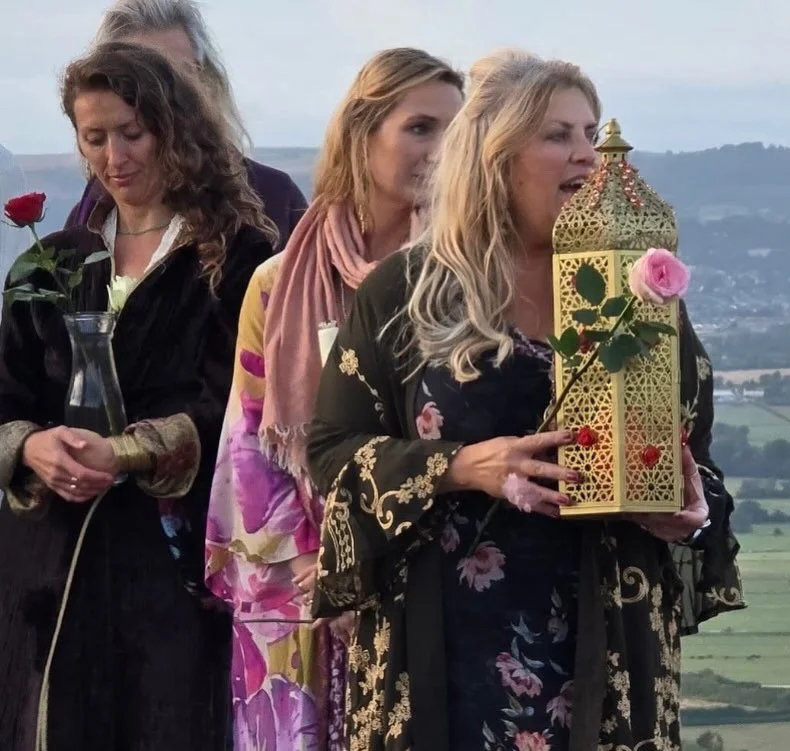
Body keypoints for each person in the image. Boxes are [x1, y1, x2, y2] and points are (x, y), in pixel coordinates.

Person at [303, 50, 744, 750]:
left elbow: (701, 469)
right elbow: (329, 450)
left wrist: (688, 512)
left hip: (608, 652)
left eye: (591, 135)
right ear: (495, 154)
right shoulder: (408, 293)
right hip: (444, 658)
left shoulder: (637, 296)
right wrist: (460, 465)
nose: (587, 156)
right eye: (558, 135)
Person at [0, 42, 276, 750]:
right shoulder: (51, 261)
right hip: (48, 570)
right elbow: (5, 390)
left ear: (173, 129)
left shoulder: (237, 255)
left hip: (172, 563)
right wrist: (32, 443)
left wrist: (124, 452)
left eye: (133, 132)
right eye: (96, 138)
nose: (115, 155)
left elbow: (244, 405)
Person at [203, 46, 463, 750]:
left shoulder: (462, 288)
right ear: (360, 134)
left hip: (415, 584)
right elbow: (249, 453)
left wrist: (366, 563)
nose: (441, 152)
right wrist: (323, 574)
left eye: (457, 133)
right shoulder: (276, 284)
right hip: (295, 602)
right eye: (420, 128)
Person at [65, 0, 306, 249]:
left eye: (180, 75)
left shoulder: (275, 198)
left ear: (206, 79)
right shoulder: (90, 218)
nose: (169, 98)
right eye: (140, 81)